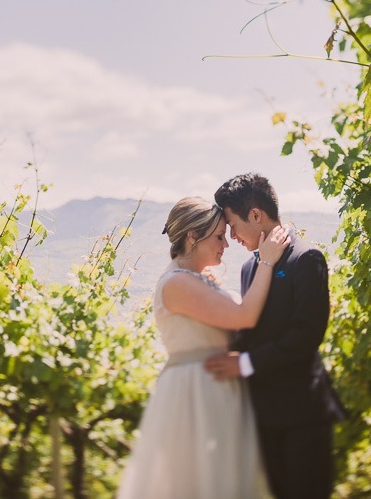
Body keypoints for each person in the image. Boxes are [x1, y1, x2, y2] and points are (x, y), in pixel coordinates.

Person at [118, 196, 290, 499]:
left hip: (218, 387)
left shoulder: (200, 280)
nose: (226, 244)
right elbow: (245, 315)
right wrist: (267, 259)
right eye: (220, 237)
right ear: (192, 237)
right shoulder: (175, 283)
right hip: (194, 392)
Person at [206, 173, 347, 499]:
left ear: (255, 215)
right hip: (260, 416)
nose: (231, 235)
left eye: (232, 224)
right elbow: (250, 329)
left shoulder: (306, 258)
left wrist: (244, 364)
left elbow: (307, 335)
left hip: (302, 415)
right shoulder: (247, 269)